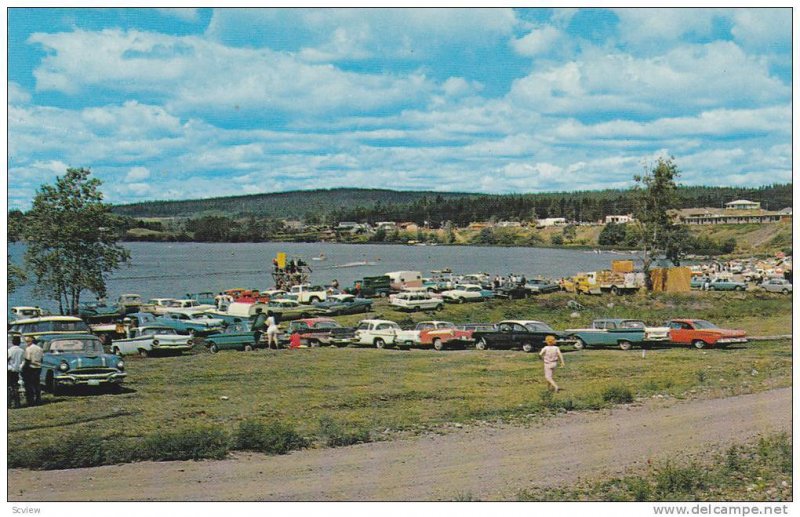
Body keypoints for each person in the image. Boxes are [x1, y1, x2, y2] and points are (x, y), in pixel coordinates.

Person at [22, 336, 43, 406]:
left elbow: (27, 359)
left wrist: (24, 368)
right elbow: (42, 358)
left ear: (31, 342)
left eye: (27, 342)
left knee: (29, 385)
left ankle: (31, 401)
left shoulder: (29, 349)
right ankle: (38, 399)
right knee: (37, 383)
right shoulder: (40, 348)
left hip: (31, 367)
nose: (27, 343)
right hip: (38, 367)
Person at [8, 335, 24, 408]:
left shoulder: (10, 350)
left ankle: (9, 403)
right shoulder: (21, 351)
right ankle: (17, 403)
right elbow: (23, 361)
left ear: (12, 342)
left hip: (10, 370)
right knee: (15, 386)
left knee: (8, 387)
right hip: (17, 370)